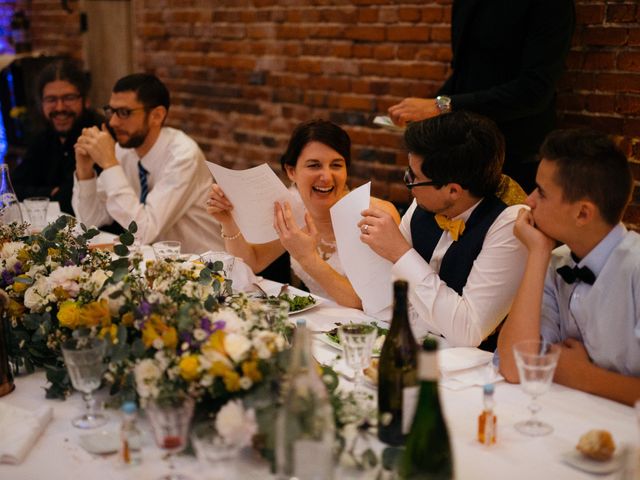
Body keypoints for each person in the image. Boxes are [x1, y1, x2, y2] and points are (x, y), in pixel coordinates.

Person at [359, 111, 527, 349]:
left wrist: (400, 253)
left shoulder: (510, 223)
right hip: (416, 348)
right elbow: (383, 300)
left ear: (453, 191)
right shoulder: (426, 199)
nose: (408, 185)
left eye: (413, 177)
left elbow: (468, 331)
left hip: (480, 371)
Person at [497, 129, 640, 406]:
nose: (529, 201)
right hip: (569, 419)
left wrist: (584, 376)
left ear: (583, 213)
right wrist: (538, 253)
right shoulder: (556, 262)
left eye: (541, 192)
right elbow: (514, 368)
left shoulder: (635, 269)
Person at [206, 119, 400, 308]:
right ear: (291, 171)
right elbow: (252, 262)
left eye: (336, 165)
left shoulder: (374, 214)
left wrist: (308, 258)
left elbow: (367, 303)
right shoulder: (293, 208)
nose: (326, 176)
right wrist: (227, 221)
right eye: (314, 165)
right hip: (320, 324)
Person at [387, 0, 575, 193]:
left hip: (514, 156)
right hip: (463, 157)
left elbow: (534, 91)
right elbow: (465, 73)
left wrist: (440, 106)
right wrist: (424, 113)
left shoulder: (549, 5)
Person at [72, 73, 223, 253]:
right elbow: (90, 221)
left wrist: (109, 164)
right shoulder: (124, 150)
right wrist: (84, 170)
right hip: (154, 264)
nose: (112, 122)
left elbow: (143, 231)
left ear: (157, 116)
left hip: (204, 266)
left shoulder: (183, 155)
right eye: (111, 111)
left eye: (124, 113)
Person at [11, 59, 103, 215]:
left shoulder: (97, 136)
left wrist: (43, 194)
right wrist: (51, 193)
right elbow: (11, 189)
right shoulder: (43, 138)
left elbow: (69, 201)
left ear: (86, 101)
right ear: (42, 103)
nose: (60, 107)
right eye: (51, 99)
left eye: (69, 98)